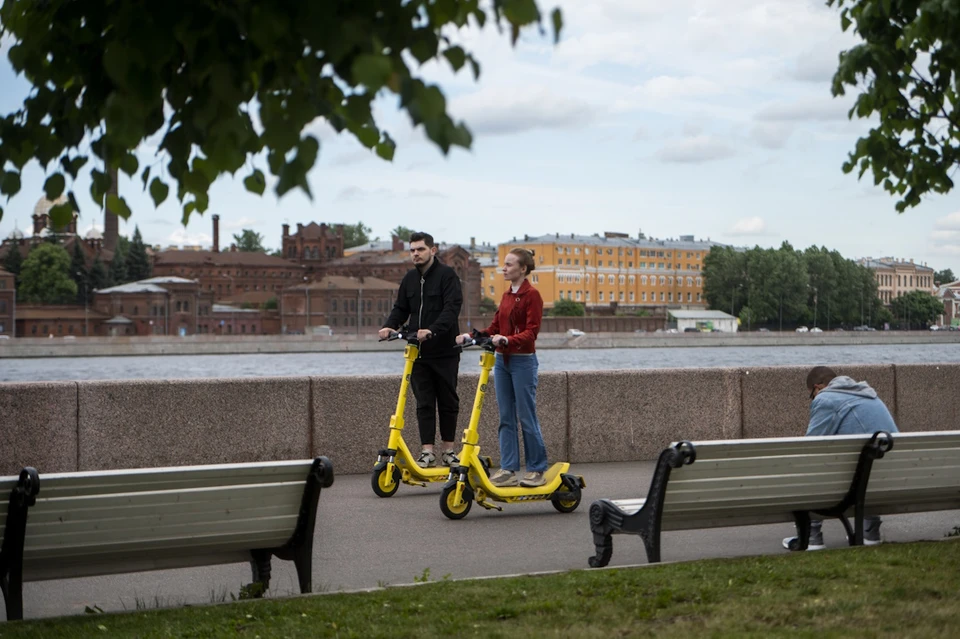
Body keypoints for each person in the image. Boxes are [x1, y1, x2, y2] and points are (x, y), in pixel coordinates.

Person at [457, 248, 548, 488]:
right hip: (502, 362)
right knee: (505, 418)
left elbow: (532, 332)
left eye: (509, 265)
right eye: (504, 265)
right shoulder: (507, 295)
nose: (504, 269)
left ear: (523, 269)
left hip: (523, 362)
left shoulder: (532, 295)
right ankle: (508, 469)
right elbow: (495, 326)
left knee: (527, 417)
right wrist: (471, 337)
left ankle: (537, 469)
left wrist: (507, 340)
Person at [782, 366, 899, 551]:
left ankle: (811, 538)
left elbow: (811, 447)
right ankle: (870, 533)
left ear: (817, 387)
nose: (814, 399)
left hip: (854, 483)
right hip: (892, 478)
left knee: (810, 468)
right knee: (869, 468)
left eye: (812, 395)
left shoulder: (826, 398)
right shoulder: (870, 395)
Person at [379, 232, 463, 468]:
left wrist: (432, 330)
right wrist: (389, 326)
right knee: (423, 402)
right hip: (418, 352)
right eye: (413, 250)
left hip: (445, 350)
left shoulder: (447, 276)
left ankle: (449, 450)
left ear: (432, 250)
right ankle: (427, 451)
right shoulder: (409, 279)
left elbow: (451, 309)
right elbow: (400, 308)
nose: (416, 254)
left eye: (420, 249)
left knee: (447, 401)